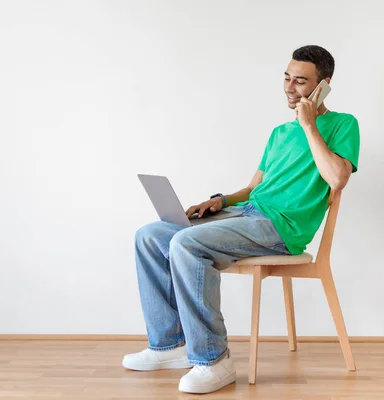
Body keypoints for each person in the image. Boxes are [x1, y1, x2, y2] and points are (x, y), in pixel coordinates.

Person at [122, 45, 360, 394]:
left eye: (300, 81)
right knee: (151, 235)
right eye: (286, 78)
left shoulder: (343, 124)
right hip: (246, 213)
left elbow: (337, 178)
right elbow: (253, 188)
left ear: (323, 84)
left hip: (281, 228)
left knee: (186, 243)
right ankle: (169, 344)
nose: (290, 88)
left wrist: (310, 126)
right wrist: (219, 201)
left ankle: (213, 360)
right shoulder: (279, 133)